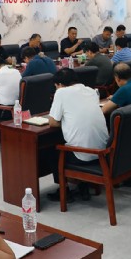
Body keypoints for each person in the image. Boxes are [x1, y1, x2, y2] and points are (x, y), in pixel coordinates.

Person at [47, 69, 109, 202]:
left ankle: (64, 191)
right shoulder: (91, 91)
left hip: (83, 156)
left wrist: (67, 121)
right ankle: (83, 186)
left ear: (60, 84)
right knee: (75, 140)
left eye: (56, 86)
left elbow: (52, 122)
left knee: (52, 151)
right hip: (103, 152)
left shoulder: (61, 92)